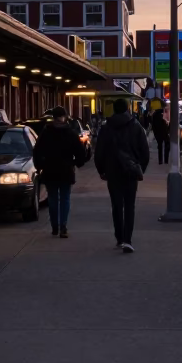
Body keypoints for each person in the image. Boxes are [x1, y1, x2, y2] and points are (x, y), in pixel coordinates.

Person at [94, 98, 150, 253]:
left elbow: (99, 152)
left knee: (117, 206)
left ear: (114, 109)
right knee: (129, 206)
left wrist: (102, 171)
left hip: (112, 172)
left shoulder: (106, 128)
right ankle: (127, 239)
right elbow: (145, 152)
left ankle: (119, 238)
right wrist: (140, 169)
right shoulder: (136, 127)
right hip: (130, 172)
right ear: (127, 109)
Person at [32, 106, 89, 238]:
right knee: (65, 198)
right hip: (66, 170)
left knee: (52, 198)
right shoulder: (70, 132)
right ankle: (63, 225)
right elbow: (80, 151)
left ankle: (54, 226)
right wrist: (78, 163)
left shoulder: (46, 133)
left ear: (53, 117)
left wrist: (39, 166)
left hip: (50, 170)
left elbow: (37, 150)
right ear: (64, 117)